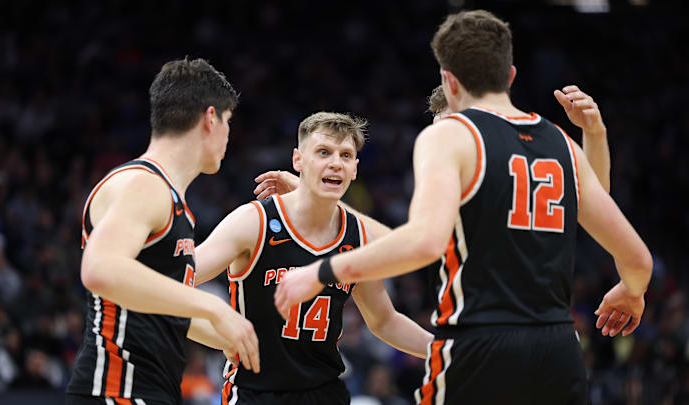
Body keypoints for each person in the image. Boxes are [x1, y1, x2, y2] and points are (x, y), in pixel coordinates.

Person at [275, 10, 652, 405]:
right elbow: (629, 248)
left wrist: (323, 270)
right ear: (510, 76)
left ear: (449, 81)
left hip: (480, 342)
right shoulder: (560, 143)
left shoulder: (450, 137)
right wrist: (631, 289)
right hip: (559, 347)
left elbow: (423, 243)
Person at [194, 112, 433, 405]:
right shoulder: (255, 221)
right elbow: (169, 281)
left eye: (346, 155)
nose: (335, 162)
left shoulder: (356, 236)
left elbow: (384, 321)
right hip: (256, 393)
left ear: (355, 168)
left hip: (325, 392)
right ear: (298, 160)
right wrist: (217, 331)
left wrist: (444, 349)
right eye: (323, 152)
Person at [66, 58, 260, 405]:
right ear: (210, 118)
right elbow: (100, 269)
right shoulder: (145, 184)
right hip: (117, 390)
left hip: (146, 392)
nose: (229, 134)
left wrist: (232, 337)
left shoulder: (167, 197)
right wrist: (213, 307)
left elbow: (153, 309)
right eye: (228, 121)